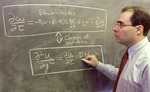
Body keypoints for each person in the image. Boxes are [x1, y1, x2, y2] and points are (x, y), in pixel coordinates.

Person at [82, 6, 150, 92]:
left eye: (121, 24)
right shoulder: (133, 53)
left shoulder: (147, 62)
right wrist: (98, 65)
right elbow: (123, 76)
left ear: (138, 29)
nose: (115, 29)